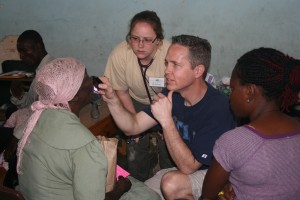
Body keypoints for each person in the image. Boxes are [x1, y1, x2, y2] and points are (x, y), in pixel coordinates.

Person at [97, 34, 236, 199]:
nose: (167, 70)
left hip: (216, 175)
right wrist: (112, 100)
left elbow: (189, 167)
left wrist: (166, 121)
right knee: (139, 194)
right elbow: (132, 126)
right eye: (166, 63)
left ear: (198, 70)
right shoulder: (173, 93)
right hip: (181, 171)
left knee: (171, 184)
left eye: (175, 65)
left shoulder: (218, 108)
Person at [14, 57, 161, 200]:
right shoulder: (85, 145)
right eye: (86, 79)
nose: (92, 81)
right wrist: (120, 189)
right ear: (75, 96)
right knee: (145, 193)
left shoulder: (35, 118)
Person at [201, 48, 300, 200]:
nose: (230, 96)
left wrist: (222, 191)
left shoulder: (234, 141)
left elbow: (208, 195)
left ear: (249, 92)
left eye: (232, 89)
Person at [104, 10, 173, 181]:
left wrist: (167, 123)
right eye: (135, 38)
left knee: (170, 145)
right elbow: (121, 91)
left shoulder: (170, 53)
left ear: (158, 40)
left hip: (169, 100)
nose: (140, 45)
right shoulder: (120, 54)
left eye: (148, 40)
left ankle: (167, 179)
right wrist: (133, 124)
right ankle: (139, 185)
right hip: (134, 101)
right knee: (135, 146)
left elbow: (176, 90)